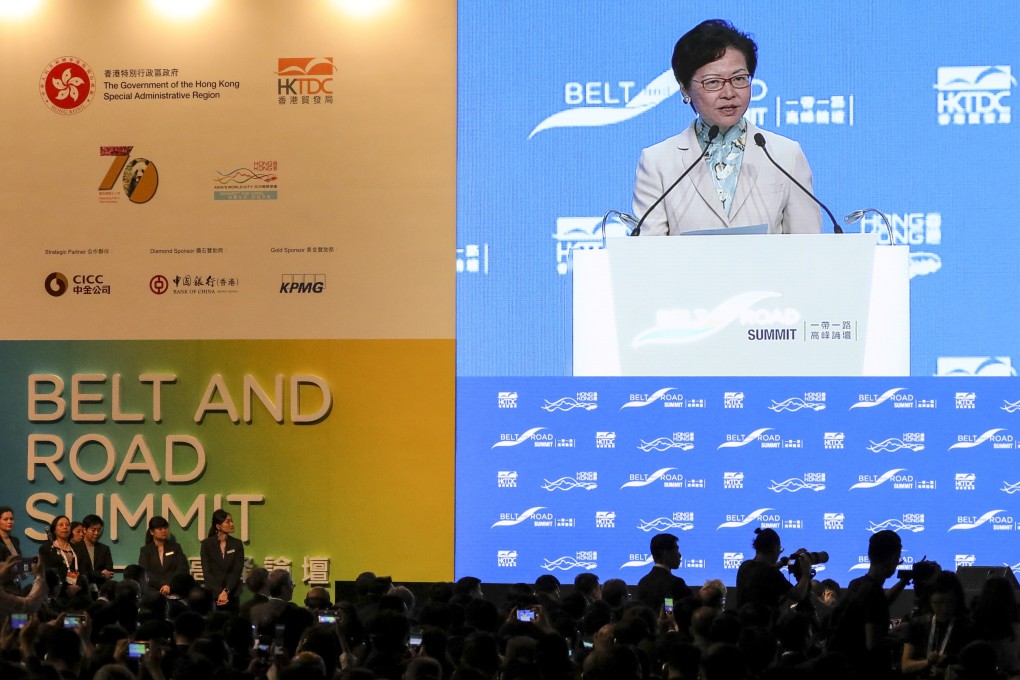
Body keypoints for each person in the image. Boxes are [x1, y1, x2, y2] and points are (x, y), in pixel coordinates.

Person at [633, 19, 822, 235]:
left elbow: (808, 244)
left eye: (739, 79)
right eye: (713, 82)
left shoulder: (785, 154)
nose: (729, 93)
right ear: (685, 89)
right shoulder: (658, 162)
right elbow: (649, 252)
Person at [827, 529, 911, 678]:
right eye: (899, 559)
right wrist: (903, 639)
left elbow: (879, 604)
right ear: (893, 559)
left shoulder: (857, 585)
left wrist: (904, 581)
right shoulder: (872, 592)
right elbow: (873, 643)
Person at [900, 571, 972, 677]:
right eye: (938, 603)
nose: (944, 609)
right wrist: (928, 662)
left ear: (957, 600)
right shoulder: (917, 624)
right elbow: (905, 666)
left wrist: (946, 671)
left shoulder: (967, 627)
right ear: (929, 601)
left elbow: (974, 667)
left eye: (950, 602)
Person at [734, 528, 812, 615]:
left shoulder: (745, 566)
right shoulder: (771, 574)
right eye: (780, 549)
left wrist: (788, 560)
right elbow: (799, 595)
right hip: (765, 626)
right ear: (775, 548)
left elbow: (763, 570)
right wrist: (806, 573)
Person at [199, 509, 244, 610]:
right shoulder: (207, 544)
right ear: (218, 526)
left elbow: (237, 571)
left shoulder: (237, 544)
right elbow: (206, 572)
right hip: (213, 593)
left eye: (231, 521)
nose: (232, 524)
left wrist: (226, 591)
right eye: (228, 522)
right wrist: (220, 592)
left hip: (233, 593)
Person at [636, 533, 693, 612]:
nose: (680, 555)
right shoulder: (676, 584)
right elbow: (670, 610)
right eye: (676, 550)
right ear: (666, 553)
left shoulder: (642, 582)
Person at [138, 515, 189, 596]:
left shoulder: (175, 547)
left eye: (165, 528)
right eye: (160, 529)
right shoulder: (145, 550)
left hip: (174, 588)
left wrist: (169, 585)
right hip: (153, 589)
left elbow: (181, 568)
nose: (164, 531)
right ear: (152, 532)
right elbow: (146, 572)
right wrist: (162, 585)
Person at [38, 514, 85, 601]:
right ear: (54, 530)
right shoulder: (47, 548)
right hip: (56, 592)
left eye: (67, 525)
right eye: (61, 525)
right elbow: (47, 571)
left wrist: (77, 585)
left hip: (77, 592)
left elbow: (83, 570)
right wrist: (66, 587)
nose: (65, 527)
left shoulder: (77, 549)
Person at [74, 514, 115, 591]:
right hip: (82, 590)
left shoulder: (104, 549)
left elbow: (109, 572)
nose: (96, 533)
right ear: (85, 530)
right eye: (93, 530)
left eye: (99, 530)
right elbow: (82, 572)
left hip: (101, 590)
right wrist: (101, 574)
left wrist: (94, 574)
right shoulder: (75, 548)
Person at [0, 506, 22, 595]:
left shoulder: (15, 540)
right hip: (3, 587)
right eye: (5, 519)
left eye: (11, 519)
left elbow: (18, 562)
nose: (9, 522)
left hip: (16, 585)